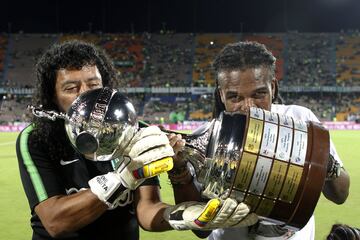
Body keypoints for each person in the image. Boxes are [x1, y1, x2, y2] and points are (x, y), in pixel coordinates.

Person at [16, 40, 257, 240]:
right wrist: (121, 178)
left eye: (93, 84)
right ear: (53, 98)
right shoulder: (36, 139)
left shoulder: (137, 133)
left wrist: (180, 216)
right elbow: (56, 222)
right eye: (71, 88)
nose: (86, 95)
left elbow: (146, 210)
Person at [205, 41, 350, 239]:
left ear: (273, 87)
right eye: (235, 97)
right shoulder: (207, 137)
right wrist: (180, 175)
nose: (249, 107)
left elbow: (340, 194)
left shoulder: (300, 120)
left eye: (259, 94)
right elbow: (199, 230)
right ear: (221, 94)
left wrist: (321, 159)